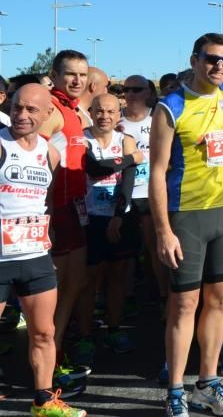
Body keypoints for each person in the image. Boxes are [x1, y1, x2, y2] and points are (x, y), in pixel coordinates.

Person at [149, 33, 223, 416]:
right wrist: (163, 230)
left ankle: (207, 381)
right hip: (187, 216)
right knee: (184, 305)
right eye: (211, 59)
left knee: (220, 302)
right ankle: (175, 390)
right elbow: (156, 173)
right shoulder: (170, 106)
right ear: (194, 59)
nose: (219, 66)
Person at [1, 83, 87, 417]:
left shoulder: (50, 153)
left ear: (48, 114)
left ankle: (44, 401)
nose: (21, 115)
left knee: (44, 332)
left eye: (31, 110)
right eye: (17, 107)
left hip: (35, 257)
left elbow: (46, 202)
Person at [37, 50, 91, 395]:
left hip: (75, 208)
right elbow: (33, 160)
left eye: (81, 75)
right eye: (69, 74)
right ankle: (48, 366)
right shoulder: (53, 110)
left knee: (74, 285)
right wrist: (46, 218)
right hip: (55, 211)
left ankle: (55, 355)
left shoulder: (73, 110)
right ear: (54, 75)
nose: (76, 80)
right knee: (54, 295)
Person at [76, 94, 142, 360]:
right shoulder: (81, 139)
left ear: (118, 115)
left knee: (117, 278)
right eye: (99, 111)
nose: (104, 116)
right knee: (89, 280)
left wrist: (118, 216)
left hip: (118, 217)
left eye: (110, 112)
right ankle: (85, 335)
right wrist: (130, 158)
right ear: (91, 112)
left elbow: (127, 181)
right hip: (90, 217)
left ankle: (114, 328)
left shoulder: (126, 140)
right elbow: (95, 168)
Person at [117, 76, 169, 308]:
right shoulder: (116, 121)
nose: (130, 94)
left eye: (136, 89)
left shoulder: (158, 117)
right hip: (124, 194)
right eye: (126, 89)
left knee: (154, 247)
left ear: (149, 91)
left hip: (152, 192)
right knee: (126, 252)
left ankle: (163, 295)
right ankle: (126, 296)